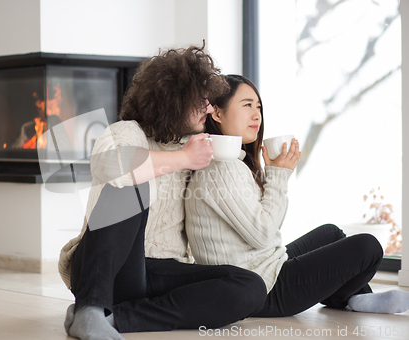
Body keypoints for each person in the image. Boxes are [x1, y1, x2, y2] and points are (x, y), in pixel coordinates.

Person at [58, 49, 267, 340]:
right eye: (202, 101)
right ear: (175, 98)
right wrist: (183, 158)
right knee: (131, 182)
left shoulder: (193, 144)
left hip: (160, 272)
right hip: (107, 265)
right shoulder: (128, 132)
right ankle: (92, 307)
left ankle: (117, 318)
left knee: (251, 286)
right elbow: (110, 167)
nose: (209, 109)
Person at [185, 74, 409, 317]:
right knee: (369, 246)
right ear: (217, 114)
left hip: (264, 268)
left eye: (258, 106)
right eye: (247, 105)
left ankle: (352, 297)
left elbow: (269, 230)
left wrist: (274, 177)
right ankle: (350, 297)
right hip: (262, 288)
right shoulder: (223, 168)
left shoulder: (231, 162)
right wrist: (278, 176)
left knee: (331, 233)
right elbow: (263, 234)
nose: (257, 114)